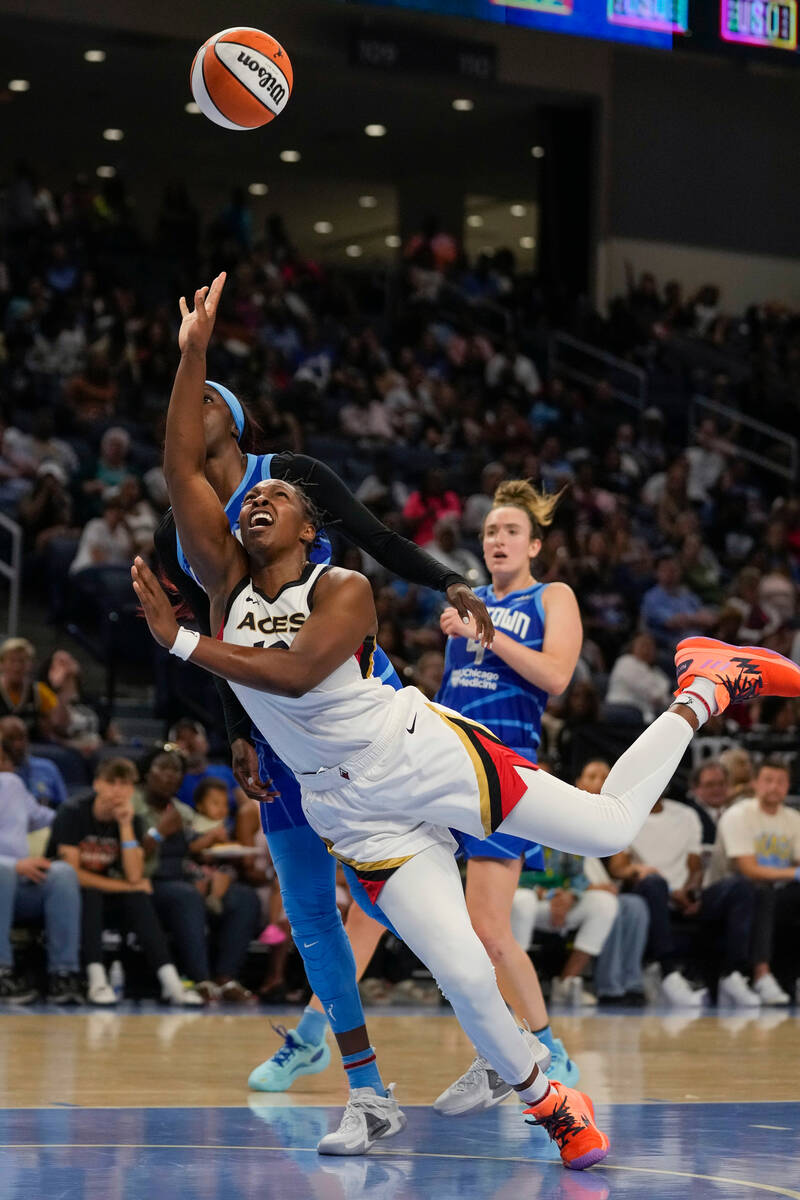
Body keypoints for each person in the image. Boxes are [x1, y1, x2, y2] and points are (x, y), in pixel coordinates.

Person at [133, 273, 800, 1168]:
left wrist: (180, 645)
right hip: (355, 814)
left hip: (425, 758)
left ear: (308, 529)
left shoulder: (345, 588)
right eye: (249, 502)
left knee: (605, 831)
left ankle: (705, 687)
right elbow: (180, 467)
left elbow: (291, 677)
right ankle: (548, 1098)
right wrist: (192, 354)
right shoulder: (221, 578)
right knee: (459, 969)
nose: (257, 502)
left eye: (277, 500)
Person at [152, 282, 492, 1145]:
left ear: (240, 422)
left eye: (214, 392)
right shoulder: (191, 529)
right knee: (309, 913)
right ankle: (364, 1084)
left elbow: (376, 539)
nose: (204, 399)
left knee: (404, 896)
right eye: (197, 394)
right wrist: (237, 737)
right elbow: (222, 649)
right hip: (277, 732)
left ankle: (504, 1038)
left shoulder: (293, 482)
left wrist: (446, 578)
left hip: (355, 719)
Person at [432, 478, 582, 1113]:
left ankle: (546, 1049)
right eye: (491, 530)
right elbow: (454, 696)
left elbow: (555, 677)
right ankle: (514, 1048)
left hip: (505, 775)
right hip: (444, 772)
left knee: (486, 927)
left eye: (511, 531)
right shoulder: (465, 606)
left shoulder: (552, 595)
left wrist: (486, 632)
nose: (498, 539)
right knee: (424, 921)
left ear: (535, 545)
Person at [48, 757, 203, 1008]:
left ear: (133, 790)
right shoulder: (73, 811)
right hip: (67, 897)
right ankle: (96, 980)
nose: (118, 791)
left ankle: (170, 981)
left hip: (110, 892)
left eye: (125, 785)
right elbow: (72, 873)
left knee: (137, 897)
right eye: (111, 783)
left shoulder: (132, 819)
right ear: (97, 784)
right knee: (92, 893)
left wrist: (125, 826)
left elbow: (134, 875)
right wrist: (129, 886)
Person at [606, 793, 760, 1008]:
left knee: (739, 886)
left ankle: (733, 974)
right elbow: (617, 867)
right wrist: (638, 870)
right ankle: (669, 974)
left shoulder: (686, 815)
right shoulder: (627, 816)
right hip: (651, 893)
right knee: (654, 883)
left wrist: (692, 891)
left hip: (685, 895)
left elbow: (695, 867)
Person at [134, 749, 259, 1004]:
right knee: (187, 896)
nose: (171, 775)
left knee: (245, 898)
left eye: (176, 770)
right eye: (163, 768)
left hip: (186, 876)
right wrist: (159, 832)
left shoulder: (182, 810)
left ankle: (225, 977)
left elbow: (193, 849)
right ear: (147, 773)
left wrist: (211, 853)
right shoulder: (133, 804)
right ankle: (200, 979)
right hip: (149, 880)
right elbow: (128, 856)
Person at [709, 757, 800, 1006]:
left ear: (789, 786)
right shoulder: (738, 815)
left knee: (774, 893)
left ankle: (788, 977)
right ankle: (754, 975)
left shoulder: (793, 818)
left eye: (781, 781)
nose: (774, 787)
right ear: (755, 783)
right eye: (768, 780)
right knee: (755, 888)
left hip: (771, 891)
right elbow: (748, 869)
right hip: (724, 892)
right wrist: (792, 873)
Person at [0, 740, 82, 1003]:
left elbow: (48, 816)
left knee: (62, 874)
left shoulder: (12, 785)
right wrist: (13, 865)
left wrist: (92, 809)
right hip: (5, 875)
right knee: (3, 872)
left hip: (19, 885)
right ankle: (2, 972)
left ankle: (63, 974)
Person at [0, 638, 67, 742]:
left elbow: (59, 724)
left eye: (22, 661)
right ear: (2, 663)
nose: (17, 667)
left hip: (32, 748)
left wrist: (61, 689)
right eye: (12, 661)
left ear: (30, 665)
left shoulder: (38, 691)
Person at [0, 715, 68, 808]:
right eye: (10, 739)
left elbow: (64, 807)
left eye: (21, 737)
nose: (18, 745)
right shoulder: (3, 777)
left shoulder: (46, 768)